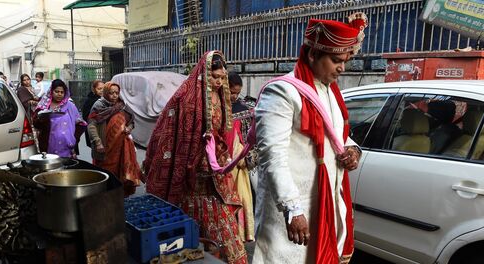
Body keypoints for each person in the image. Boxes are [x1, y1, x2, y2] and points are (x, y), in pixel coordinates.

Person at [252, 13, 367, 264]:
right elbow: (272, 156)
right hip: (293, 208)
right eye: (336, 60)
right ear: (313, 55)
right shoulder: (282, 91)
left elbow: (338, 136)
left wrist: (352, 150)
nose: (342, 68)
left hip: (326, 203)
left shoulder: (329, 90)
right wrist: (292, 209)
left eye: (345, 60)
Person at [143, 51, 248, 264]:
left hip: (213, 170)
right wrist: (198, 155)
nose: (219, 82)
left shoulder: (219, 96)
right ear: (203, 73)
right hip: (192, 171)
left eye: (222, 77)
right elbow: (177, 133)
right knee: (188, 231)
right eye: (215, 77)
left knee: (220, 228)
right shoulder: (188, 97)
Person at [87, 82, 141, 196]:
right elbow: (91, 125)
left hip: (121, 147)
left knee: (119, 171)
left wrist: (129, 128)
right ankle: (105, 195)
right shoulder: (98, 106)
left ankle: (119, 194)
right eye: (111, 93)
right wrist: (97, 142)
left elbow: (132, 121)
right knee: (105, 172)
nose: (114, 95)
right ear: (106, 93)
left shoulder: (122, 106)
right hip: (104, 147)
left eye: (116, 93)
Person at [225, 71, 255, 242]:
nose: (235, 96)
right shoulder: (215, 108)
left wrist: (246, 158)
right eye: (231, 92)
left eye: (237, 92)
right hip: (222, 165)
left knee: (240, 199)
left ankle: (238, 235)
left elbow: (250, 139)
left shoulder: (244, 110)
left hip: (239, 165)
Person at [34, 79, 85, 158]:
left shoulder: (70, 106)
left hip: (68, 148)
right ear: (51, 91)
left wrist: (74, 138)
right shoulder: (44, 105)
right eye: (56, 91)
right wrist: (42, 118)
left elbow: (81, 124)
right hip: (48, 147)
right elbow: (36, 123)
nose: (59, 94)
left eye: (62, 92)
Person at [81, 80, 104, 148]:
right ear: (94, 89)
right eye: (99, 89)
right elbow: (87, 117)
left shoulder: (104, 99)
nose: (102, 90)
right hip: (94, 131)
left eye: (103, 88)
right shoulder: (90, 101)